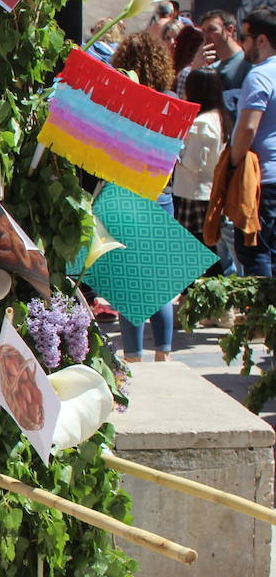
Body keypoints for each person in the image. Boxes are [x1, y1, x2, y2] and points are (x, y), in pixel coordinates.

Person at [111, 32, 178, 357]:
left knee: (130, 285)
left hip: (126, 195)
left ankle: (133, 356)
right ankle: (164, 354)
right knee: (160, 281)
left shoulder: (120, 100)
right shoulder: (171, 100)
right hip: (162, 194)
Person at [230, 8, 276, 277]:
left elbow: (247, 128)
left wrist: (233, 166)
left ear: (261, 40)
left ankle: (264, 318)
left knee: (257, 252)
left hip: (264, 183)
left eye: (244, 37)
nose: (241, 44)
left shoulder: (259, 75)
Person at [173, 68, 227, 247]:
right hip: (206, 190)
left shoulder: (201, 123)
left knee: (192, 247)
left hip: (193, 193)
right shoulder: (219, 117)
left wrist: (174, 153)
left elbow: (193, 163)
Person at [197, 9, 252, 115]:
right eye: (203, 31)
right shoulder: (212, 68)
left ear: (229, 30)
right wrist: (195, 70)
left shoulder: (248, 63)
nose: (206, 35)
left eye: (212, 29)